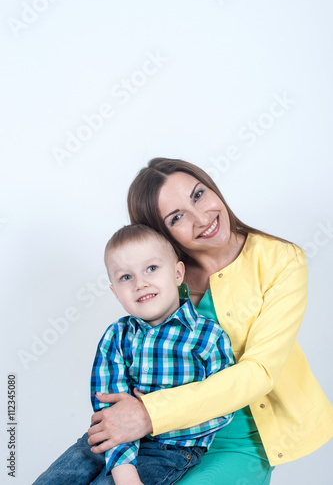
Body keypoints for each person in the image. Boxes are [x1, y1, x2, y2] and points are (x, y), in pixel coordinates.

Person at [86, 158, 333, 484]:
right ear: (161, 234)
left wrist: (149, 413)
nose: (202, 218)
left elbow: (260, 372)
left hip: (241, 440)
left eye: (199, 194)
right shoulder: (161, 277)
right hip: (160, 440)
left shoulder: (280, 260)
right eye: (177, 217)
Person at [33, 223, 235, 485]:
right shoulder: (116, 337)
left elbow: (222, 406)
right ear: (115, 292)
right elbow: (110, 407)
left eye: (151, 268)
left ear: (177, 273)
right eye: (126, 277)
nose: (141, 283)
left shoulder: (208, 336)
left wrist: (158, 417)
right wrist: (123, 469)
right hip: (108, 439)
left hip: (171, 447)